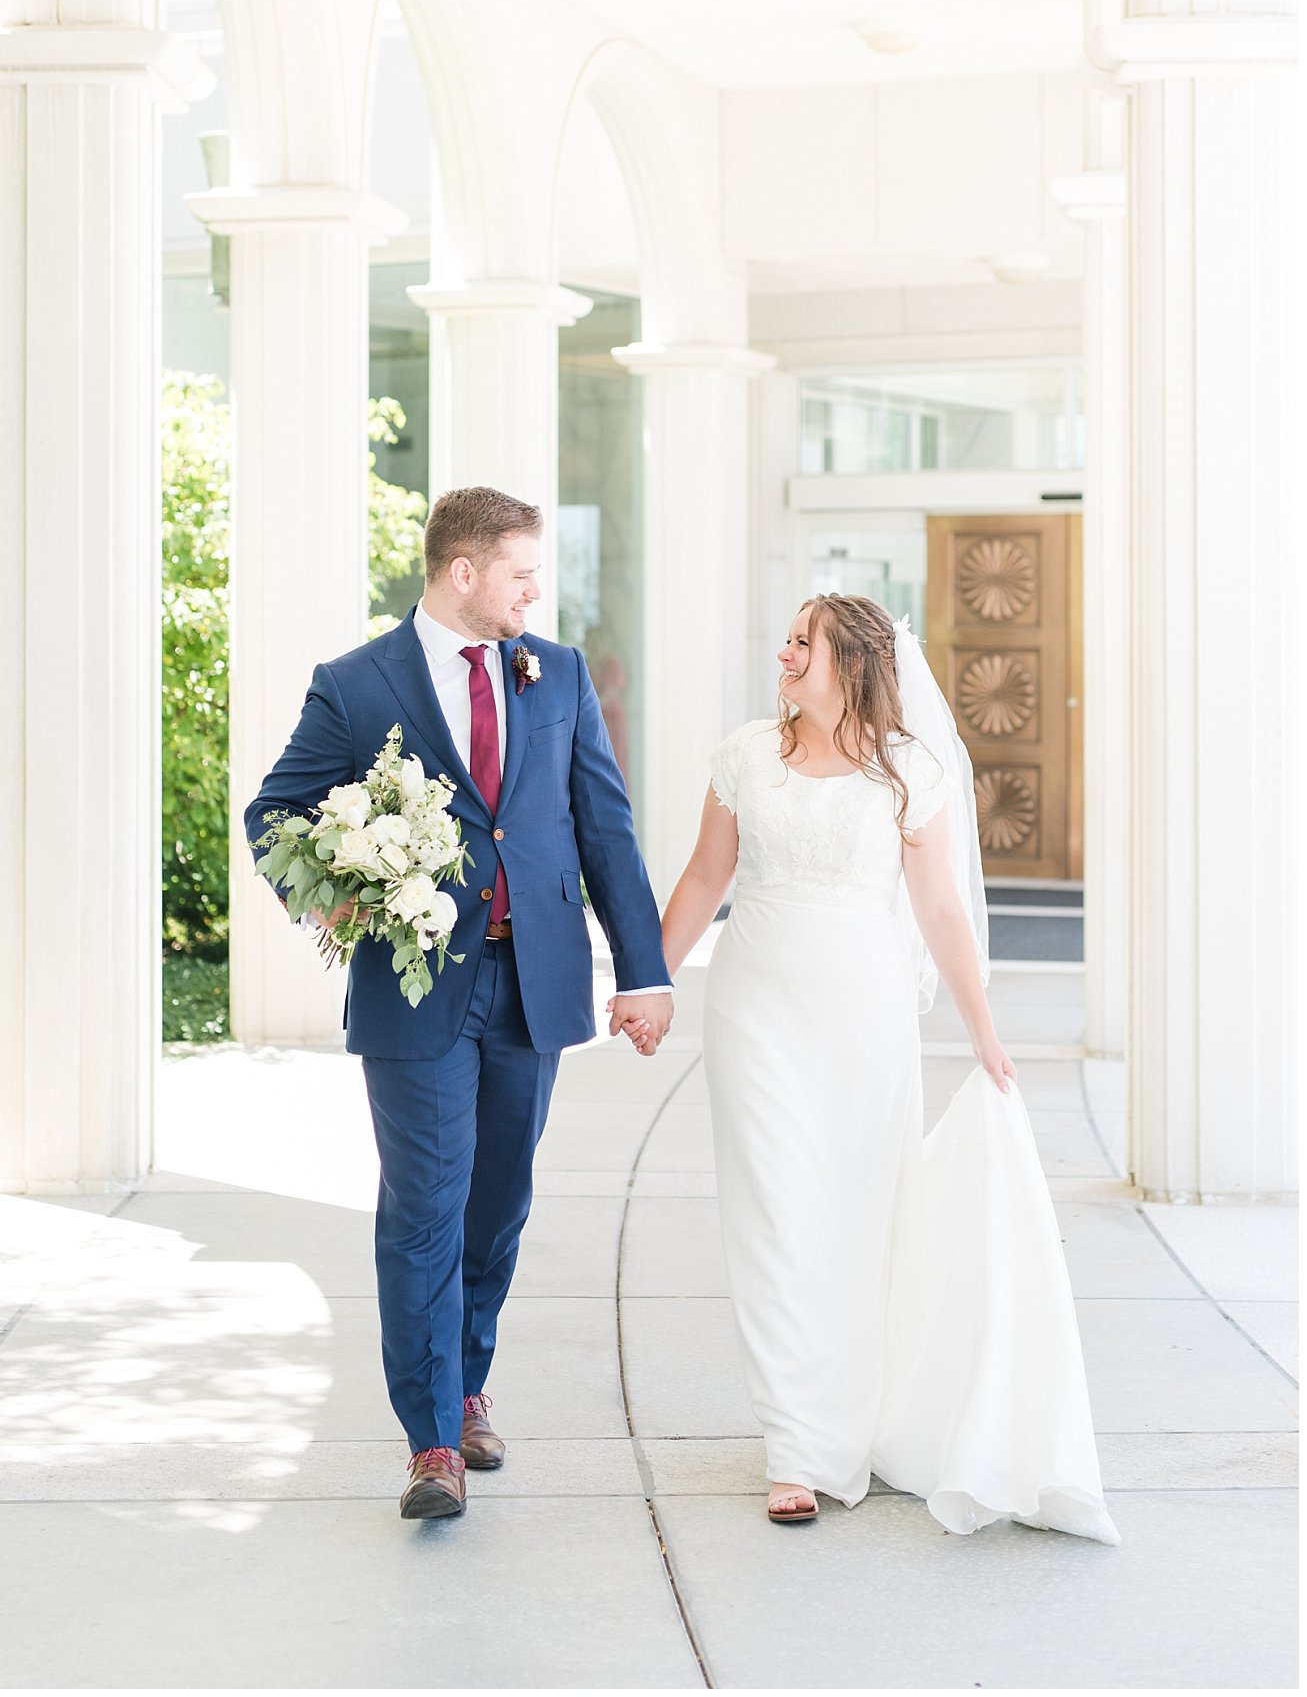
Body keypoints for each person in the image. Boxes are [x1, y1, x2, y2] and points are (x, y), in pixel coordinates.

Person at [627, 593, 1118, 1543]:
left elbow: (939, 914)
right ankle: (795, 1448)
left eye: (800, 641)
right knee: (772, 1211)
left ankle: (857, 1412)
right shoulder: (744, 758)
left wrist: (982, 1029)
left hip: (864, 1016)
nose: (782, 651)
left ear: (849, 662)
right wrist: (650, 981)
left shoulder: (909, 774)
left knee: (857, 1211)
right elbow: (701, 877)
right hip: (753, 1011)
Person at [245, 486, 672, 1520]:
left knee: (496, 1205)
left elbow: (603, 830)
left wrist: (645, 968)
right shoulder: (354, 685)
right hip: (416, 986)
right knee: (426, 1205)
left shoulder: (557, 673)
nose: (538, 589)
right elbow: (275, 815)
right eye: (523, 571)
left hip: (536, 984)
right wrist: (353, 887)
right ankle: (432, 1437)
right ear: (464, 571)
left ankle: (467, 1378)